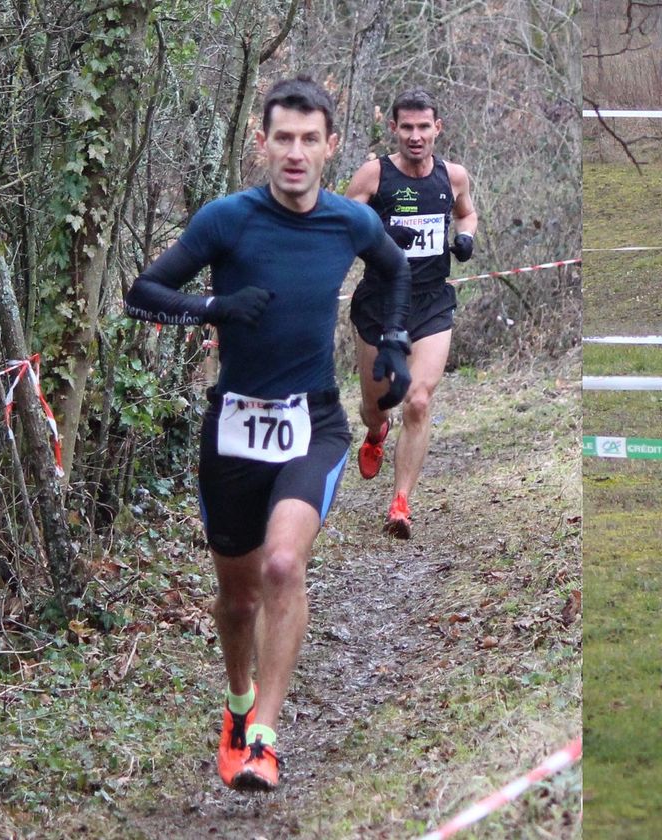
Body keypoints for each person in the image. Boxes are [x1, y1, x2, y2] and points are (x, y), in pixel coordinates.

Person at [123, 76, 413, 792]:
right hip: (234, 426)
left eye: (310, 139)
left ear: (331, 147)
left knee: (284, 566)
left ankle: (263, 740)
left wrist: (394, 340)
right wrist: (213, 306)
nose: (295, 152)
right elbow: (142, 294)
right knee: (239, 599)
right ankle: (236, 702)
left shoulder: (349, 220)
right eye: (282, 137)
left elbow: (395, 266)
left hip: (311, 422)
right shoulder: (227, 219)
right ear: (261, 144)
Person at [344, 87, 479, 539]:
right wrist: (377, 239)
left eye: (424, 127)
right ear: (394, 129)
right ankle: (377, 432)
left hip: (431, 301)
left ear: (437, 128)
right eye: (407, 127)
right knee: (376, 407)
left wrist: (466, 238)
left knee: (418, 401)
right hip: (379, 304)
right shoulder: (373, 176)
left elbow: (467, 215)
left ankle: (400, 503)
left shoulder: (453, 176)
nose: (416, 136)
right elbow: (341, 226)